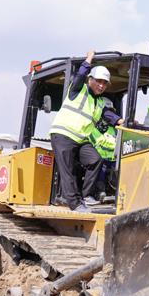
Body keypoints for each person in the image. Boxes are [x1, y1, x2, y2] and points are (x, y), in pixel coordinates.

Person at [49, 51, 122, 212]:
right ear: (90, 80)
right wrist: (89, 58)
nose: (102, 86)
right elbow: (80, 73)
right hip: (63, 135)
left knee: (95, 159)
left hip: (80, 140)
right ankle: (74, 204)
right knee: (68, 170)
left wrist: (123, 122)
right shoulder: (77, 89)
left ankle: (87, 196)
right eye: (99, 82)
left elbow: (109, 116)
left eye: (104, 83)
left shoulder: (100, 102)